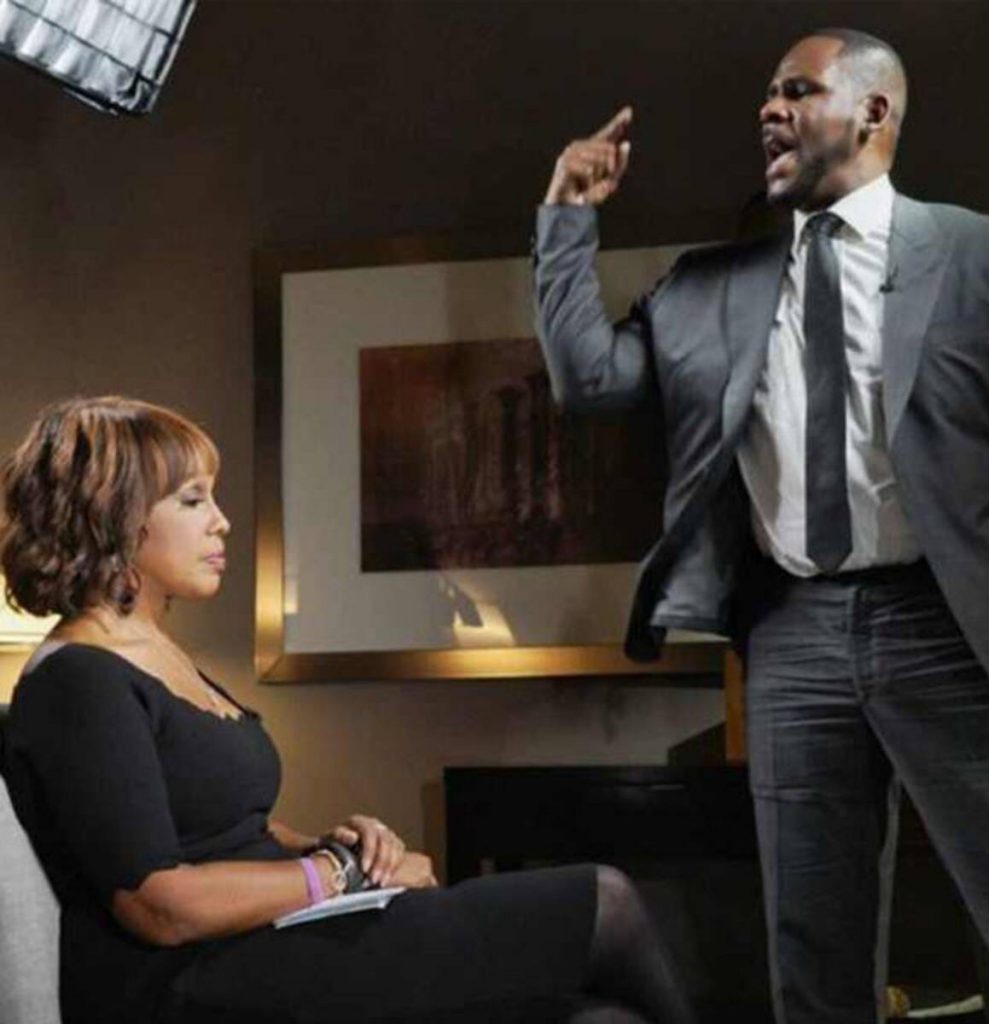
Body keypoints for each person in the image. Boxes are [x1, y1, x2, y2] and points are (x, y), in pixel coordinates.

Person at [534, 27, 989, 1024]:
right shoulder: (708, 287)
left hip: (952, 621)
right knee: (812, 945)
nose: (768, 109)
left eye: (796, 91)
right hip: (794, 633)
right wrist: (565, 221)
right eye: (766, 94)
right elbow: (588, 380)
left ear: (873, 111)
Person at [0, 395, 695, 1024]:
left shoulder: (151, 651)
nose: (222, 521)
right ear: (117, 516)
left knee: (603, 1020)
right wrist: (338, 875)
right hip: (189, 981)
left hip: (262, 941)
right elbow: (160, 904)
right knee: (606, 900)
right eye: (193, 500)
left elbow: (206, 824)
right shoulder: (78, 681)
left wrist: (326, 845)